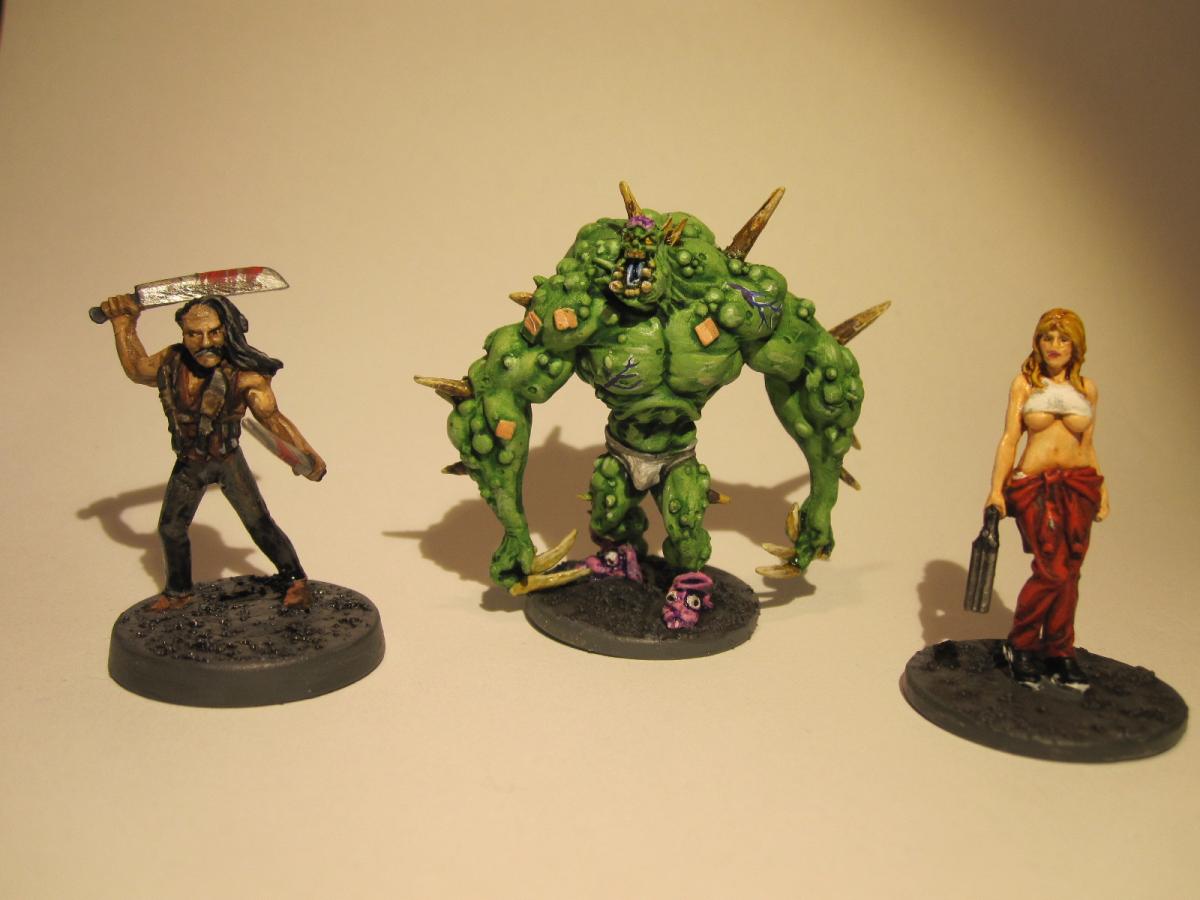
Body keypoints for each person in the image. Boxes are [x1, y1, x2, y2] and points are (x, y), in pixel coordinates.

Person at [99, 292, 327, 610]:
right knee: (170, 528)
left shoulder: (245, 376)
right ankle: (178, 592)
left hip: (227, 459)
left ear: (227, 330)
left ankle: (295, 579)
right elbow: (137, 369)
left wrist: (307, 456)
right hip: (189, 461)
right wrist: (123, 323)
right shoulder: (171, 361)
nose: (205, 342)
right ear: (183, 334)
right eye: (194, 334)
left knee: (258, 523)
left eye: (214, 332)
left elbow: (272, 419)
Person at [985, 308, 1109, 688]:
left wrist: (1102, 489)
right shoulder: (1026, 384)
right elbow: (1010, 439)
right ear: (1037, 342)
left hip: (1078, 486)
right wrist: (996, 490)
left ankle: (1059, 650)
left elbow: (1087, 444)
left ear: (1076, 345)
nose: (1054, 345)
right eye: (1047, 337)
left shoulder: (1087, 388)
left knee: (1070, 573)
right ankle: (1021, 642)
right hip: (1036, 486)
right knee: (1051, 570)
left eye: (1063, 338)